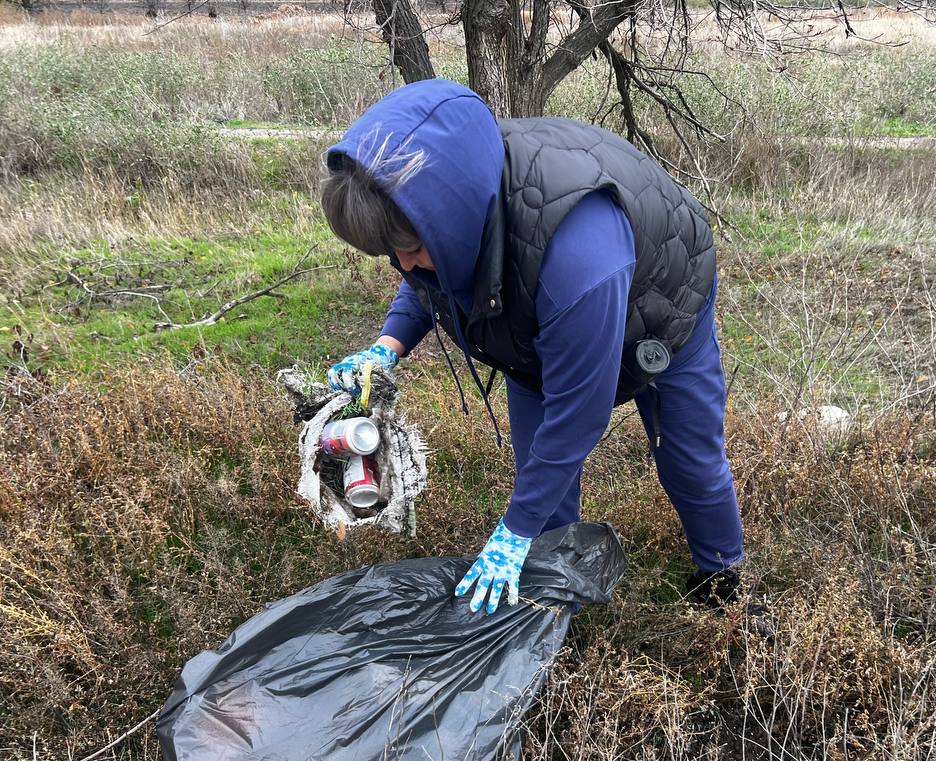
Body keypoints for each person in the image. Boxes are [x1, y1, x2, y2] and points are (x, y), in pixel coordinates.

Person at [320, 78, 766, 632]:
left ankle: (724, 581)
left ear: (452, 220)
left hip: (663, 304)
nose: (403, 264)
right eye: (393, 251)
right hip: (538, 320)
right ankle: (553, 612)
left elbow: (578, 415)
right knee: (542, 477)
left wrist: (513, 530)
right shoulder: (452, 197)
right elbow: (431, 282)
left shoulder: (579, 258)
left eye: (410, 248)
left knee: (688, 458)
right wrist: (387, 346)